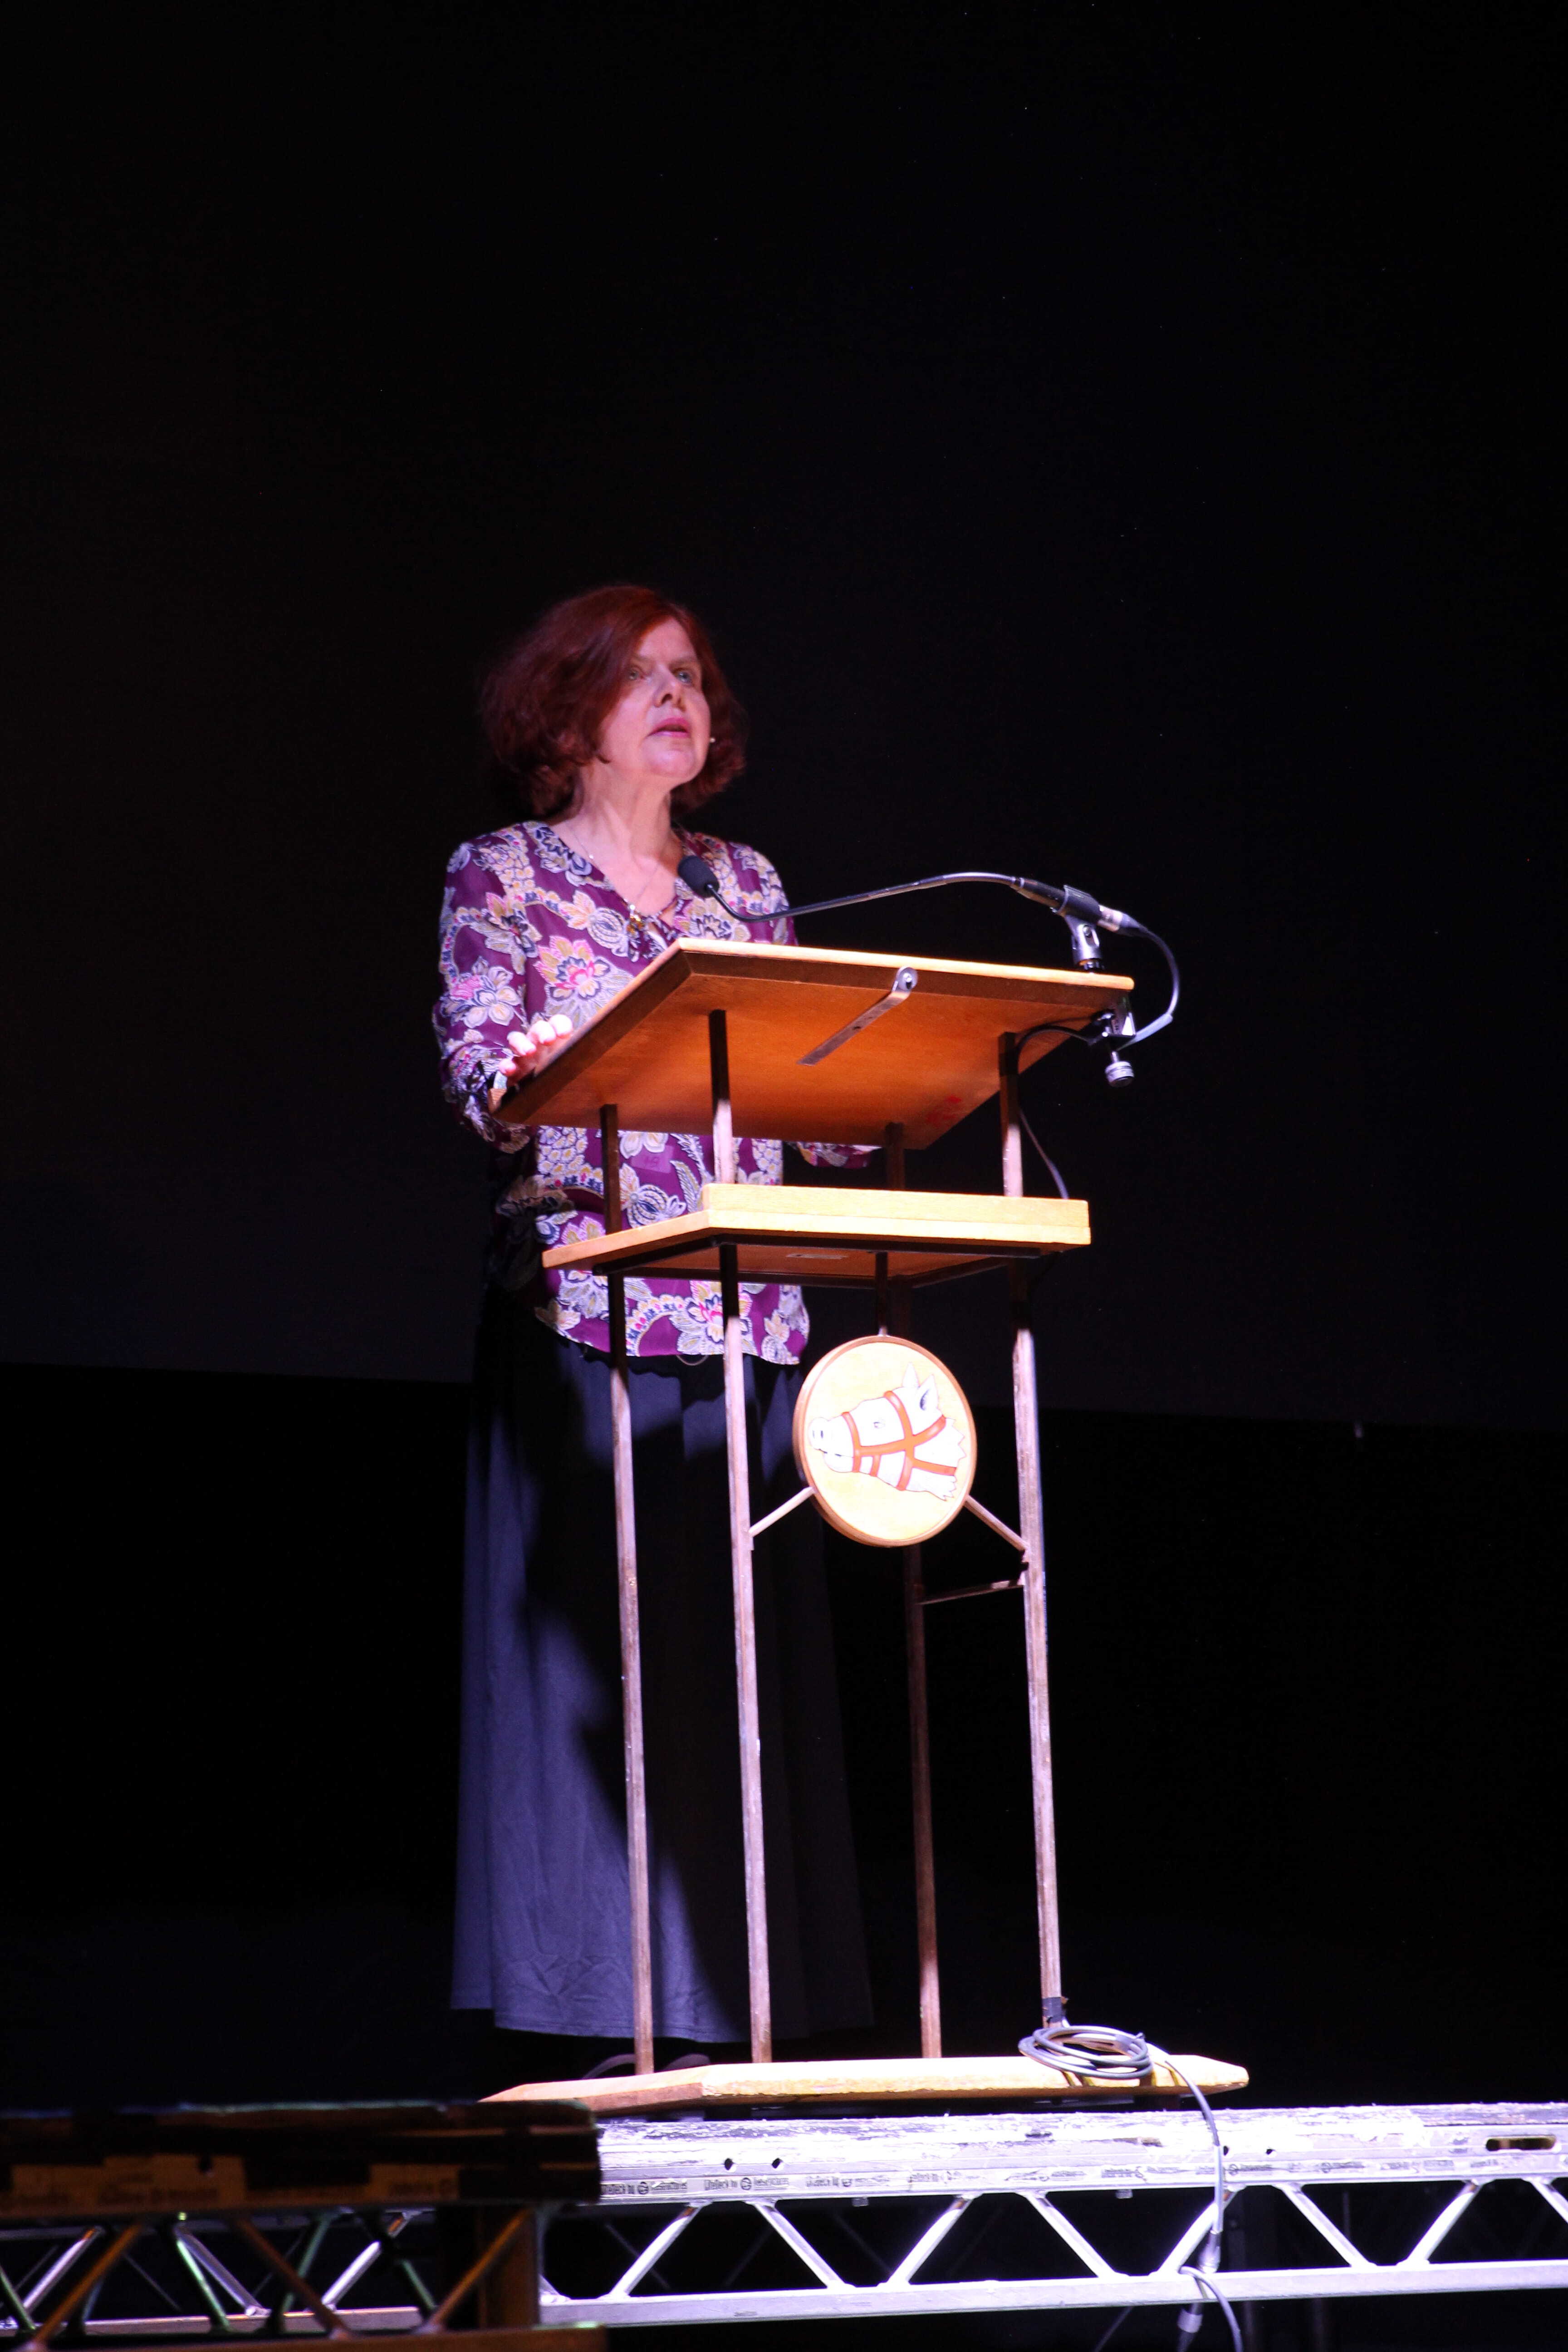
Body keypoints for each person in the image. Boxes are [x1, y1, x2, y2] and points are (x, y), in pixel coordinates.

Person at [436, 583, 873, 2059]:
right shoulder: (505, 873)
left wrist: (874, 1067)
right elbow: (489, 1080)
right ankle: (596, 2011)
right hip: (590, 1312)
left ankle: (748, 2000)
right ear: (569, 713)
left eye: (690, 673)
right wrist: (554, 1059)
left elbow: (813, 1108)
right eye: (640, 676)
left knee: (734, 1669)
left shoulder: (745, 884)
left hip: (746, 1317)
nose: (679, 695)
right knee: (606, 1674)